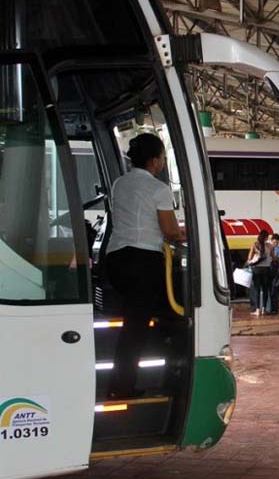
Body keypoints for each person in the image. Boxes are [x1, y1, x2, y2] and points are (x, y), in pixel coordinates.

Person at [106, 133, 184, 398]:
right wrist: (190, 234)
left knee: (141, 317)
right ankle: (123, 387)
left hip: (116, 260)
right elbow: (171, 232)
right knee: (139, 326)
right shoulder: (158, 189)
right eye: (162, 157)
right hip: (143, 262)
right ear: (154, 160)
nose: (162, 162)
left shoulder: (119, 183)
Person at [247, 230, 274, 316]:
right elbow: (273, 258)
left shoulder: (255, 245)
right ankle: (264, 309)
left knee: (257, 290)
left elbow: (249, 258)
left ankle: (257, 310)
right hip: (266, 270)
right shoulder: (270, 246)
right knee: (265, 289)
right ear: (266, 237)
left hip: (256, 270)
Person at [267, 233, 279, 315]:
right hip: (268, 267)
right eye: (274, 242)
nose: (275, 244)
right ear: (271, 241)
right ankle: (268, 307)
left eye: (277, 243)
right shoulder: (267, 246)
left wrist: (273, 257)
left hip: (274, 267)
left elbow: (278, 257)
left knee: (274, 287)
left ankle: (274, 308)